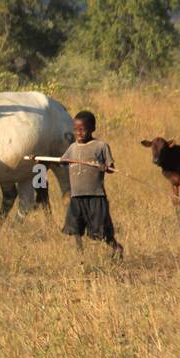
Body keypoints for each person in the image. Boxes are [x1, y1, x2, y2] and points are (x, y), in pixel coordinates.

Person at [58, 110, 123, 258]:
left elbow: (111, 167)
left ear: (92, 128)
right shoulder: (72, 148)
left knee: (101, 229)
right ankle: (80, 255)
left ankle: (116, 248)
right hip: (76, 196)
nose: (78, 133)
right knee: (75, 227)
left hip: (96, 196)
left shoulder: (101, 146)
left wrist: (105, 167)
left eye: (82, 129)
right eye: (75, 130)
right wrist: (45, 161)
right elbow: (62, 163)